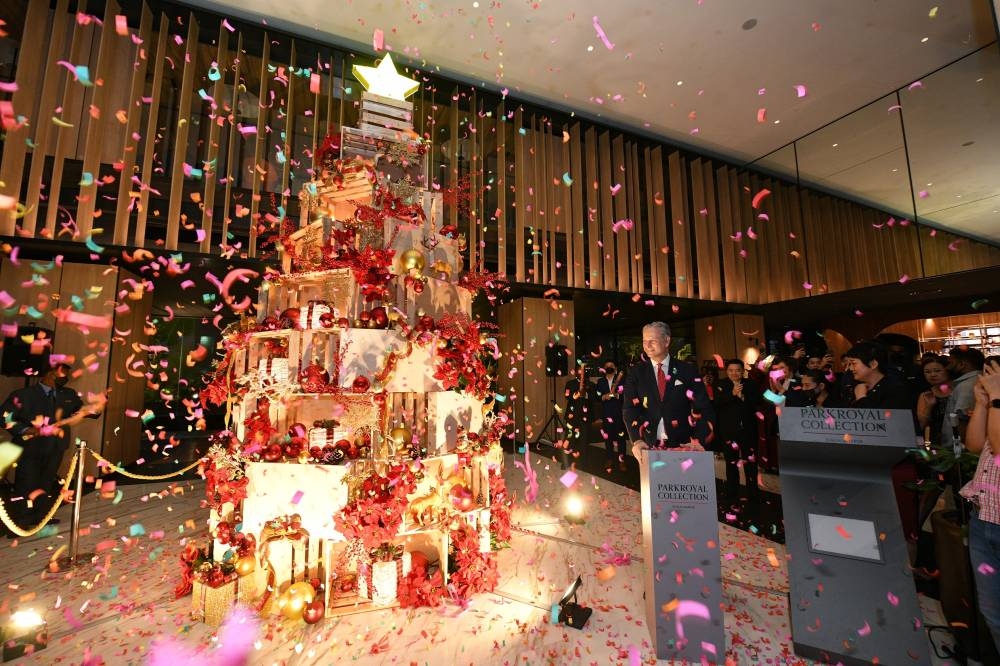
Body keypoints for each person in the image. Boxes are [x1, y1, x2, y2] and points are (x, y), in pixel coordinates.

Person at [0, 362, 94, 528]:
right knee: (26, 483)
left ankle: (42, 517)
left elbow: (85, 411)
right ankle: (21, 521)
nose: (65, 379)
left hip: (56, 447)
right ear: (50, 374)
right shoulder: (24, 394)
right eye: (62, 375)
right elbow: (4, 417)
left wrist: (95, 406)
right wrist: (26, 429)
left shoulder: (68, 394)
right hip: (30, 448)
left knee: (46, 482)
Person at [623, 322, 714, 452]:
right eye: (644, 341)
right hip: (648, 445)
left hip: (684, 444)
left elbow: (703, 407)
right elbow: (629, 408)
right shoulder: (636, 372)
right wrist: (637, 440)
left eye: (652, 341)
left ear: (666, 341)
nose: (647, 346)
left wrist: (699, 439)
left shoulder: (687, 370)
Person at [960, 358, 1000, 646]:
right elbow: (974, 445)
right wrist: (983, 403)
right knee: (993, 613)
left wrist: (997, 399)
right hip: (983, 516)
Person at [714, 359, 761, 502]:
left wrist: (743, 397)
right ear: (727, 371)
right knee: (731, 463)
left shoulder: (751, 384)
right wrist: (732, 394)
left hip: (748, 431)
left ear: (743, 371)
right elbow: (717, 403)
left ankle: (753, 493)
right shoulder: (720, 384)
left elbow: (756, 404)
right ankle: (732, 493)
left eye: (738, 370)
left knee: (751, 464)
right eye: (731, 370)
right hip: (729, 432)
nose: (734, 373)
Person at [943, 346, 986, 447]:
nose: (947, 367)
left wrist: (959, 448)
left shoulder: (966, 386)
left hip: (962, 449)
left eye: (951, 363)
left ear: (962, 364)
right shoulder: (979, 379)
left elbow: (963, 419)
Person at [595, 361, 627, 471]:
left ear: (615, 368)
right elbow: (597, 396)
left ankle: (621, 461)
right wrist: (604, 397)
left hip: (618, 414)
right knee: (608, 438)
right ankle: (609, 458)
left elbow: (627, 395)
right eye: (607, 366)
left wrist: (617, 395)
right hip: (606, 413)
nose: (609, 368)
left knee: (621, 438)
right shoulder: (600, 381)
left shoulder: (621, 380)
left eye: (611, 366)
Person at [915, 354, 951, 446]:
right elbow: (921, 425)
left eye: (937, 371)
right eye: (927, 372)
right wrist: (929, 407)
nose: (932, 375)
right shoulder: (925, 395)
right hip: (937, 442)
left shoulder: (959, 390)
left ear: (947, 370)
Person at [563, 364, 591, 449]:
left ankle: (583, 460)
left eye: (583, 371)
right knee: (570, 438)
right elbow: (567, 396)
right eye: (579, 371)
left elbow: (594, 397)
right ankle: (568, 458)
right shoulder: (570, 384)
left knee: (584, 441)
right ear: (575, 372)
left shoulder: (590, 384)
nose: (581, 373)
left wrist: (585, 394)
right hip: (572, 416)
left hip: (584, 416)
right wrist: (575, 395)